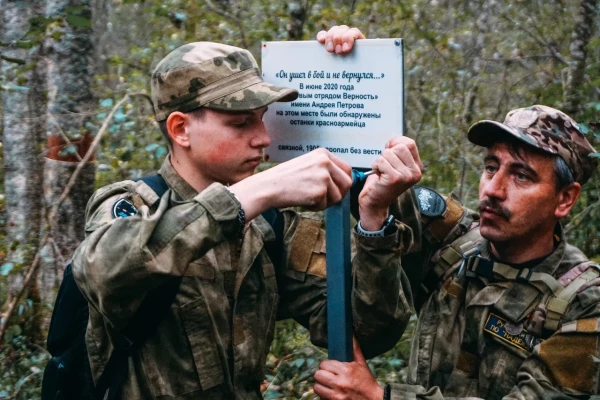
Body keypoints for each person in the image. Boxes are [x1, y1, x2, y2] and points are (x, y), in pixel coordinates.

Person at [71, 29, 419, 398]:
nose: (263, 138)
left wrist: (373, 220)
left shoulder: (270, 227)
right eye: (240, 123)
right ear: (180, 129)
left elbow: (370, 333)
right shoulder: (132, 205)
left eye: (262, 118)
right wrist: (259, 190)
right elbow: (102, 270)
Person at [314, 26, 600, 400]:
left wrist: (380, 397)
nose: (494, 189)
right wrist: (357, 68)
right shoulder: (457, 240)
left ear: (565, 199)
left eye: (522, 176)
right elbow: (378, 188)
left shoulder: (584, 301)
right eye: (490, 166)